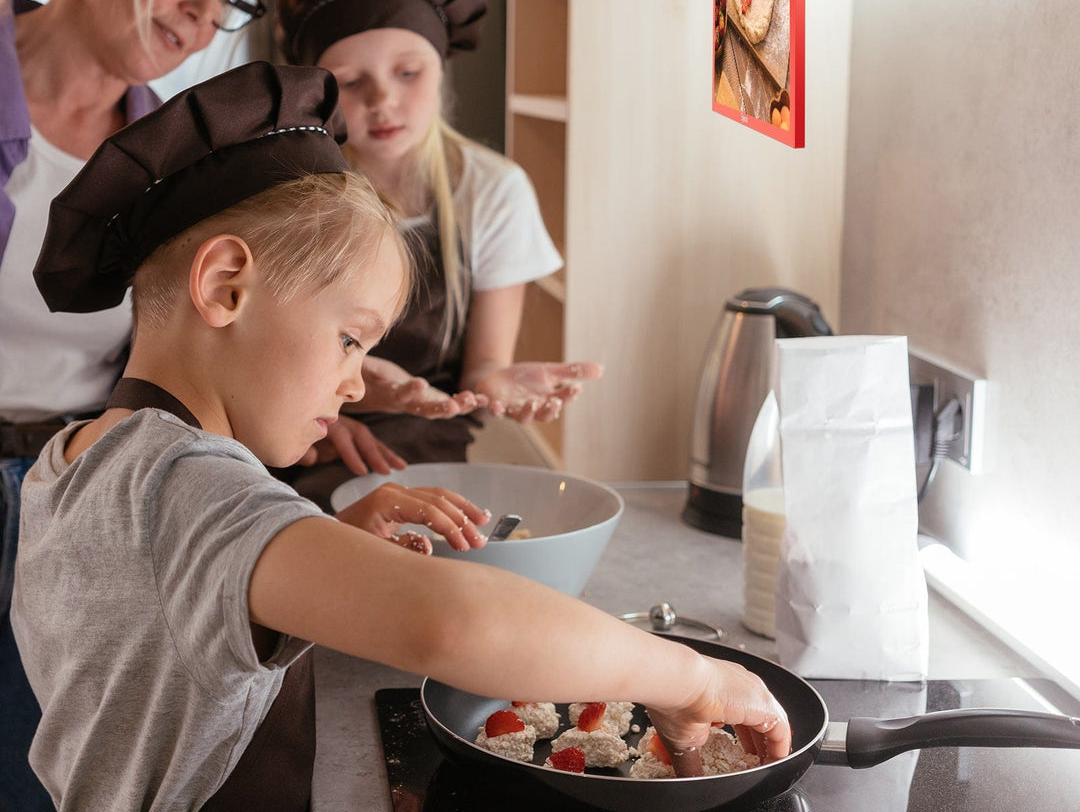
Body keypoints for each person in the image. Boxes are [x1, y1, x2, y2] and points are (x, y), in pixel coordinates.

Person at [14, 61, 791, 810]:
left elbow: (169, 631)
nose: (356, 383)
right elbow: (454, 621)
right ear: (226, 287)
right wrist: (688, 678)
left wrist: (322, 542)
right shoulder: (189, 485)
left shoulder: (76, 460)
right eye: (351, 338)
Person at [0, 0, 274, 811]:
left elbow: (199, 344)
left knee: (36, 777)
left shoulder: (176, 171)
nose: (203, 11)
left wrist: (346, 372)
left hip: (71, 504)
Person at [275, 0, 602, 486]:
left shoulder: (494, 193)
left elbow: (484, 368)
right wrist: (319, 422)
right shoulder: (289, 191)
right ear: (321, 90)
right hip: (293, 433)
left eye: (408, 73)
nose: (383, 102)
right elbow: (260, 360)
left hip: (424, 442)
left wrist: (496, 386)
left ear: (442, 69)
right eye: (353, 82)